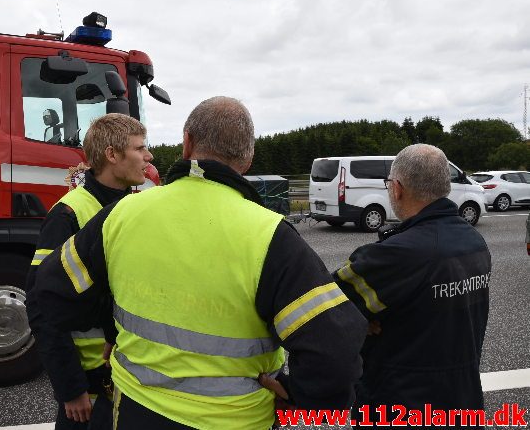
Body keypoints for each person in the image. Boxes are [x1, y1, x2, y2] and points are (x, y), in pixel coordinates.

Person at [33, 96, 366, 430]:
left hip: (134, 411)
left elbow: (47, 294)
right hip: (235, 420)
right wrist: (300, 399)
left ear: (186, 143)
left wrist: (110, 325)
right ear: (247, 159)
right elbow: (335, 350)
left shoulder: (121, 216)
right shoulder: (271, 235)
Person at [333, 144, 491, 427]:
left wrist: (357, 320)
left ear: (397, 188)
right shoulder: (474, 242)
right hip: (463, 406)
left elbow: (328, 308)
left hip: (400, 409)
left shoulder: (395, 255)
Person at [26, 113, 153, 430]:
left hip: (132, 375)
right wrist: (71, 387)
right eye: (140, 148)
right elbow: (41, 306)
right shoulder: (69, 213)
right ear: (112, 155)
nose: (149, 157)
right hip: (90, 382)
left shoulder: (137, 207)